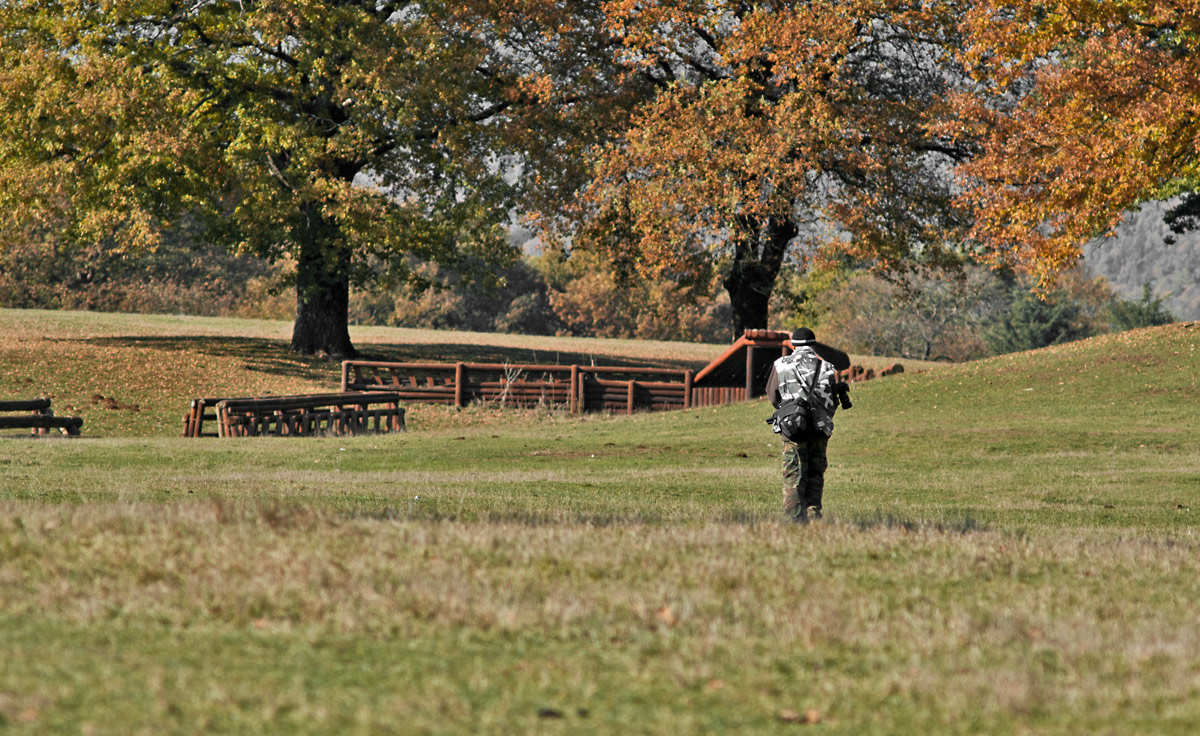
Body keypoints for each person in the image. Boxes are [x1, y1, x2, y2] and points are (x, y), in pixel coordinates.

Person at [765, 327, 845, 523]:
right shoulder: (827, 367)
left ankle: (794, 522)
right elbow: (832, 401)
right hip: (820, 430)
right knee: (815, 475)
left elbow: (773, 395)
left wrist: (791, 412)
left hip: (793, 428)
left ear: (793, 345)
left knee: (794, 475)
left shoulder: (781, 365)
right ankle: (813, 517)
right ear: (813, 346)